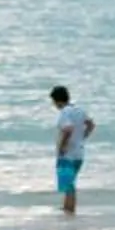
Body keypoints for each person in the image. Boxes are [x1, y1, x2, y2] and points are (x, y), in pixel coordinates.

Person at [49, 85, 94, 218]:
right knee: (70, 182)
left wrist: (63, 146)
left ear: (57, 100)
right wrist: (82, 137)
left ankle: (70, 210)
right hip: (79, 152)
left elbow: (68, 129)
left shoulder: (65, 112)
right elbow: (91, 124)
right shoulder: (79, 110)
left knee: (68, 184)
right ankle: (67, 208)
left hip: (68, 153)